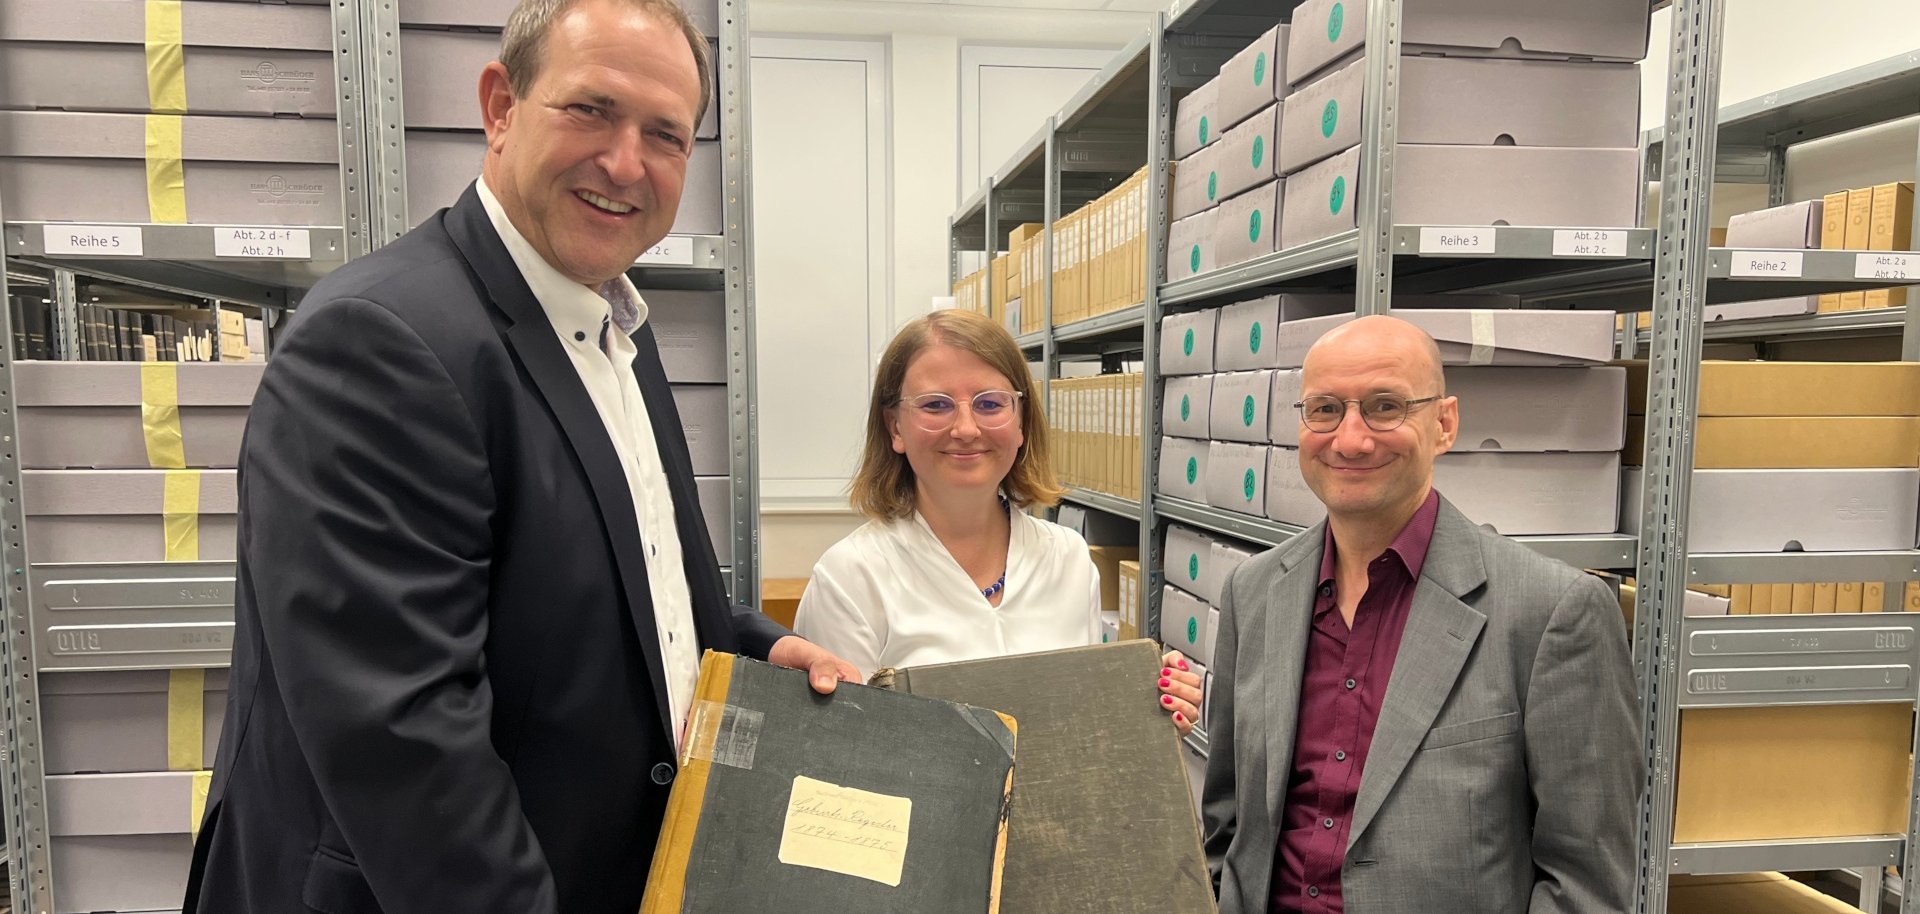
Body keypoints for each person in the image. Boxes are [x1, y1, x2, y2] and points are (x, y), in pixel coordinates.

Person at [181, 1, 856, 911]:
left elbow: (628, 578)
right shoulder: (382, 343)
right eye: (592, 110)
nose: (626, 163)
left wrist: (748, 647)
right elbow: (407, 742)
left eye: (666, 134)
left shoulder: (614, 325)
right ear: (500, 106)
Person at [1198, 315, 1639, 914]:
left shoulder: (1551, 613)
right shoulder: (1254, 594)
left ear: (1444, 424)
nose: (1350, 439)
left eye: (1385, 407)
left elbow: (1587, 883)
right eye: (1325, 409)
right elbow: (1228, 823)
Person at [794, 310, 1204, 732]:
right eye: (936, 405)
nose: (967, 428)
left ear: (1021, 422)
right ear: (895, 427)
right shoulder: (850, 577)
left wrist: (1146, 707)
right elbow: (837, 758)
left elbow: (1076, 727)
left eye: (990, 403)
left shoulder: (1067, 558)